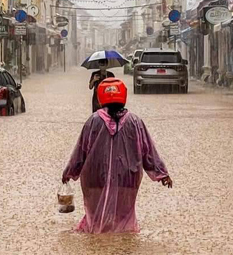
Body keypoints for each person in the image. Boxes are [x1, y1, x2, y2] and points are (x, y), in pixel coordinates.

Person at [62, 78, 172, 234]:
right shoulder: (135, 121)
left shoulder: (93, 121)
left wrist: (69, 172)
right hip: (127, 179)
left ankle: (98, 244)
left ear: (101, 97)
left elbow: (80, 151)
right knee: (124, 220)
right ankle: (122, 245)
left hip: (96, 179)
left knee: (95, 219)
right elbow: (148, 150)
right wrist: (162, 174)